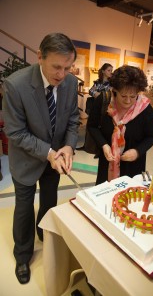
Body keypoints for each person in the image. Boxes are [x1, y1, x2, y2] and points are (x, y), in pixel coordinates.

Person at [2, 33, 79, 284]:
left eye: (67, 68)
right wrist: (48, 153)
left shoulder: (70, 83)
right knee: (23, 208)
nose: (61, 74)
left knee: (49, 199)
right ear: (39, 57)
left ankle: (44, 232)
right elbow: (15, 132)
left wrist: (68, 147)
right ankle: (22, 254)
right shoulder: (16, 85)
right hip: (26, 159)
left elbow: (72, 120)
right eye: (56, 67)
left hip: (55, 158)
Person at [87, 65, 153, 185]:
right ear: (114, 90)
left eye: (133, 96)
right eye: (123, 96)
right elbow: (92, 126)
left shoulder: (145, 108)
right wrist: (104, 145)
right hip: (108, 161)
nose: (128, 101)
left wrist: (137, 151)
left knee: (129, 198)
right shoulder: (104, 101)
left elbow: (151, 135)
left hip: (133, 165)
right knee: (105, 195)